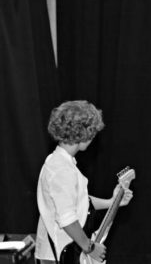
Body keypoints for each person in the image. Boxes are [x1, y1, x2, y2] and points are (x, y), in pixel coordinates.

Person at [35, 100, 133, 264]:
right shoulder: (61, 170)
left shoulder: (61, 163)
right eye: (93, 131)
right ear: (83, 133)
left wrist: (112, 202)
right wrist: (90, 248)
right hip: (56, 257)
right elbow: (67, 220)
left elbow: (81, 201)